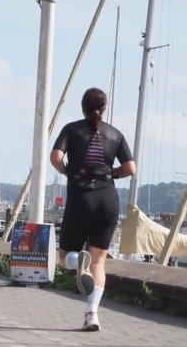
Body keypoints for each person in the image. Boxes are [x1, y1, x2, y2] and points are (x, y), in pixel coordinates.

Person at [50, 87, 136, 332]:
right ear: (104, 108)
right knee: (98, 263)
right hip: (108, 200)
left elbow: (56, 157)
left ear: (82, 107)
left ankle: (78, 261)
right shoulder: (115, 134)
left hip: (81, 198)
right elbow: (130, 168)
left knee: (64, 256)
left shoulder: (71, 129)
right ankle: (92, 315)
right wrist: (110, 174)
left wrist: (68, 171)